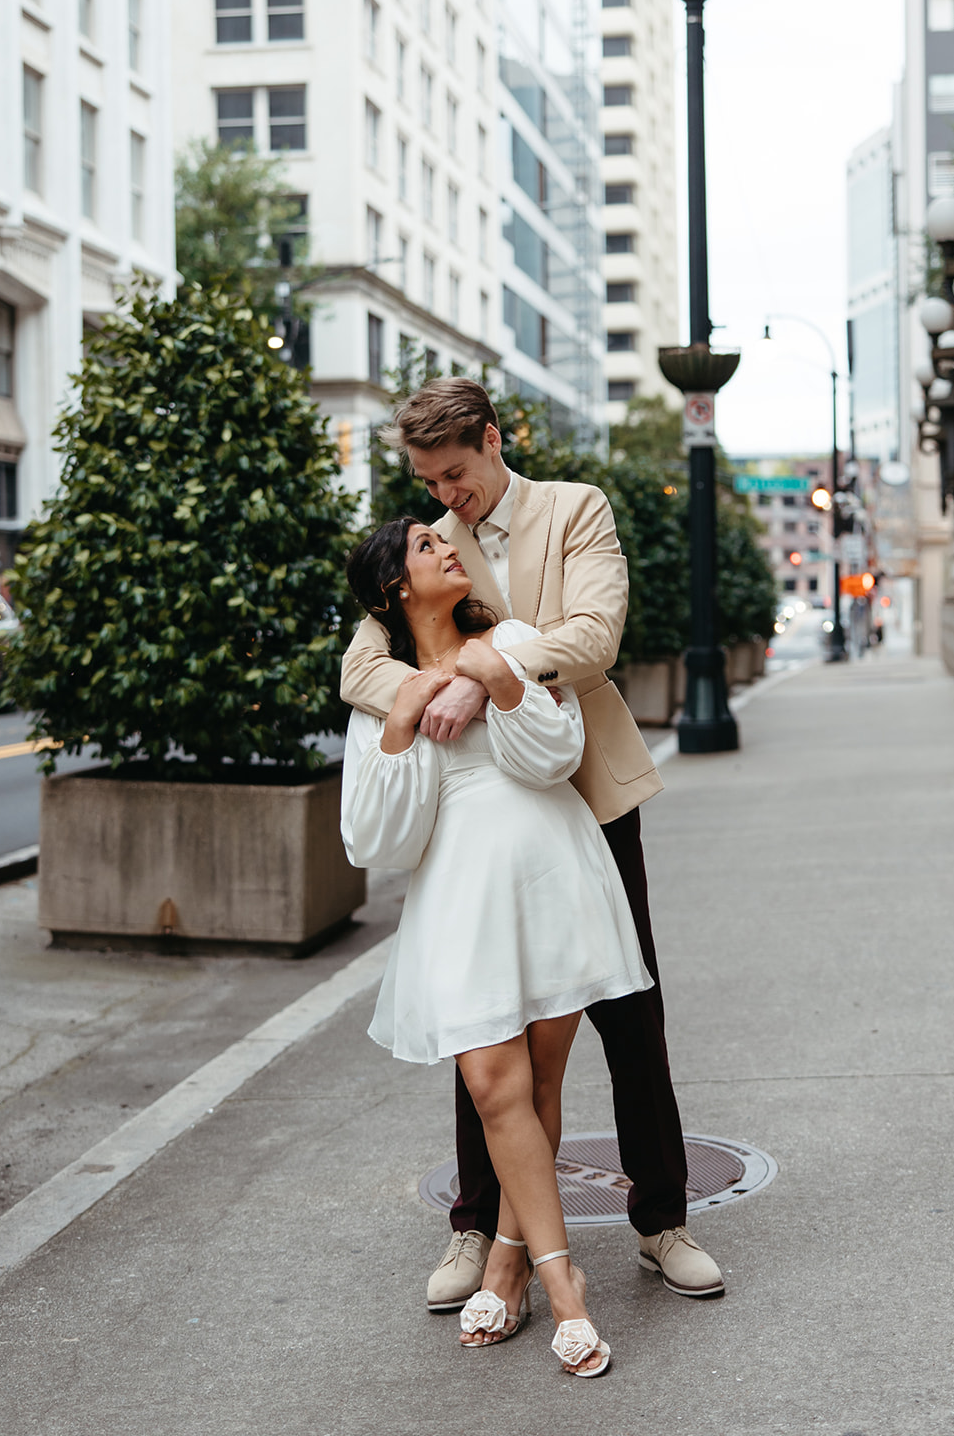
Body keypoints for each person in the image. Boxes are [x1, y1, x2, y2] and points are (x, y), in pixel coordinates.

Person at [341, 378, 725, 1312]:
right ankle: (476, 1230)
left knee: (631, 1018)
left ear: (492, 440)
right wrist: (444, 681)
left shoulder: (572, 509)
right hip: (476, 822)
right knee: (487, 1029)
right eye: (430, 483)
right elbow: (361, 660)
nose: (445, 498)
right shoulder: (431, 542)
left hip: (584, 795)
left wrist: (495, 669)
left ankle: (660, 1220)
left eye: (457, 475)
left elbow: (594, 637)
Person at [342, 516, 656, 1376]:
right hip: (459, 896)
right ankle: (569, 1294)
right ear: (394, 589)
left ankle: (514, 1266)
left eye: (444, 541)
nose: (447, 546)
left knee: (542, 1080)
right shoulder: (385, 689)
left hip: (550, 874)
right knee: (492, 1084)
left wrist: (500, 680)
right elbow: (377, 839)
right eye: (423, 546)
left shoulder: (512, 640)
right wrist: (405, 718)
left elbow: (556, 757)